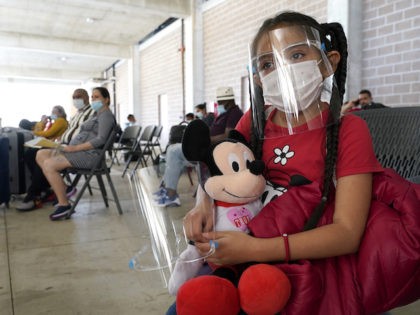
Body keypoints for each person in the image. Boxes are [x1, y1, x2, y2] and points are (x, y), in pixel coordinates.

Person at [174, 11, 419, 315]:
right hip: (245, 246)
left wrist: (257, 250)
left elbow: (347, 233)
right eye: (268, 64)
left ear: (328, 62)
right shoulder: (256, 121)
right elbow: (221, 165)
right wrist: (203, 204)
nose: (283, 71)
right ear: (257, 78)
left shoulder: (348, 130)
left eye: (297, 55)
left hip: (309, 258)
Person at [154, 88, 243, 207]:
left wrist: (203, 140)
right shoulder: (225, 113)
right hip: (206, 147)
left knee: (174, 151)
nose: (219, 105)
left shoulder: (234, 113)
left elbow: (228, 136)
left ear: (227, 101)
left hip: (211, 150)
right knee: (175, 156)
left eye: (220, 102)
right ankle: (169, 191)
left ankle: (170, 193)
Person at [36, 87, 116, 220]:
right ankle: (65, 189)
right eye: (92, 97)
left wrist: (74, 148)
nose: (93, 100)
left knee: (49, 164)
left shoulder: (106, 115)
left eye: (97, 97)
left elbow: (100, 139)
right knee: (41, 154)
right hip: (79, 151)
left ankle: (64, 204)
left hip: (91, 156)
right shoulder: (97, 115)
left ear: (106, 99)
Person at [16, 90, 94, 211]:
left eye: (79, 97)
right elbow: (61, 132)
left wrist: (59, 142)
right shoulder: (77, 114)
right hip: (61, 144)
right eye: (74, 97)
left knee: (39, 155)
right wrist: (43, 124)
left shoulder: (88, 114)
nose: (76, 99)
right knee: (30, 154)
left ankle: (35, 194)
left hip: (72, 148)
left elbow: (49, 133)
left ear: (87, 97)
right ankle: (45, 187)